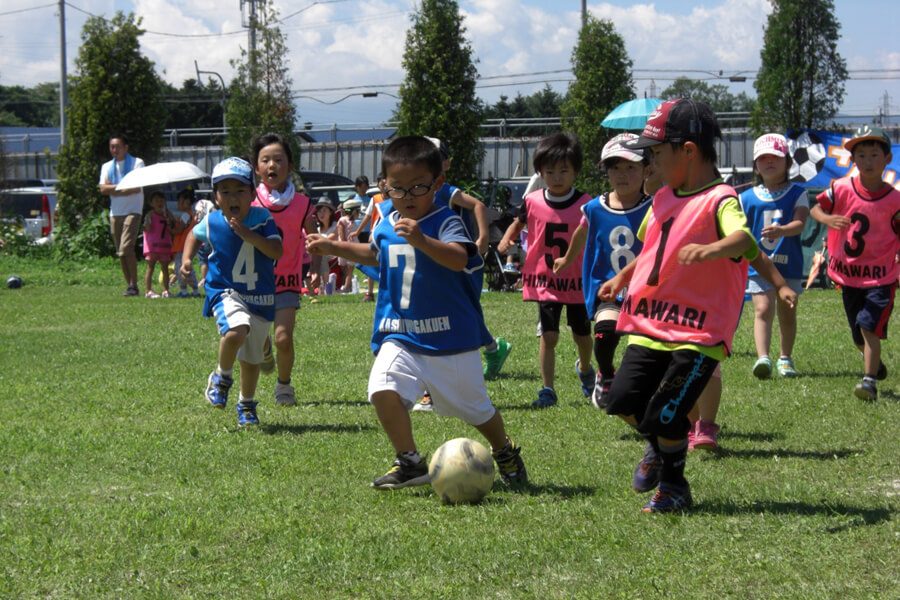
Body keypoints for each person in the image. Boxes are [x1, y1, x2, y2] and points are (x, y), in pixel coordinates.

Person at [599, 99, 796, 513]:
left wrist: (712, 251)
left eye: (656, 154)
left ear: (687, 151)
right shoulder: (663, 198)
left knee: (668, 414)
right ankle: (658, 450)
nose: (649, 164)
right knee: (620, 401)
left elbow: (743, 241)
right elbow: (655, 248)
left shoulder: (721, 198)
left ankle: (672, 486)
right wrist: (623, 276)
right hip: (651, 324)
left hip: (698, 332)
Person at [306, 135, 527, 489]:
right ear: (385, 187)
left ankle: (504, 449)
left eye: (417, 187)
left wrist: (422, 240)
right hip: (402, 333)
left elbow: (458, 258)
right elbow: (377, 255)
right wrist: (335, 246)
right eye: (397, 189)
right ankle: (409, 461)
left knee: (475, 410)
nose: (407, 197)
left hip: (449, 339)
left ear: (437, 184)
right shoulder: (388, 220)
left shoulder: (445, 220)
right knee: (381, 388)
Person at [180, 156, 283, 427]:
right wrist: (187, 259)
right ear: (216, 196)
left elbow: (276, 250)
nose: (232, 197)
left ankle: (246, 405)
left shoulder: (262, 219)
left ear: (252, 193)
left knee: (251, 360)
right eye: (225, 191)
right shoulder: (213, 221)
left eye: (239, 190)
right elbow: (193, 234)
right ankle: (221, 377)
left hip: (260, 296)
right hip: (225, 290)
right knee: (236, 330)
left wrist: (250, 235)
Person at [552, 133, 652, 409]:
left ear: (647, 170)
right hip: (607, 286)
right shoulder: (595, 207)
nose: (622, 174)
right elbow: (581, 234)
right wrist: (566, 259)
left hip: (646, 288)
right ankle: (605, 374)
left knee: (644, 344)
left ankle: (644, 388)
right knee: (605, 330)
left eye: (630, 167)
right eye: (615, 168)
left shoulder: (655, 207)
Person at [498, 131, 595, 408]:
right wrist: (508, 238)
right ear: (540, 172)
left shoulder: (586, 204)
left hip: (576, 280)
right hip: (546, 281)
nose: (557, 177)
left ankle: (586, 368)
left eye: (564, 171)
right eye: (550, 171)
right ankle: (547, 389)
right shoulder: (533, 201)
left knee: (582, 335)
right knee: (548, 335)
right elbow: (519, 221)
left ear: (575, 171)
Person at [810, 125, 900, 401]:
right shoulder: (842, 188)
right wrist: (827, 220)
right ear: (853, 160)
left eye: (875, 154)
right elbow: (816, 207)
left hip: (881, 278)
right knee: (857, 335)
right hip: (848, 276)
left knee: (868, 326)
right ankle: (874, 365)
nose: (868, 161)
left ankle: (869, 381)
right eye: (861, 155)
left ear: (887, 159)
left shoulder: (895, 199)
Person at [250, 133, 314, 407]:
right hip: (255, 282)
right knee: (257, 338)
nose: (272, 165)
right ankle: (262, 348)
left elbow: (314, 239)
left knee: (284, 338)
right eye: (265, 160)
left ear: (289, 165)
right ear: (257, 168)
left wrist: (316, 264)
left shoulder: (302, 204)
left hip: (287, 280)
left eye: (279, 159)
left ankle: (284, 386)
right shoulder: (249, 201)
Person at [742, 133, 809, 379]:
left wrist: (782, 230)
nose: (769, 162)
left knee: (787, 313)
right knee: (762, 308)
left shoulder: (798, 193)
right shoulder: (746, 198)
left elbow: (800, 223)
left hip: (789, 266)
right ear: (756, 165)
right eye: (763, 158)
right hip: (757, 266)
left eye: (776, 157)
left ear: (788, 163)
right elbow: (741, 232)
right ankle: (763, 358)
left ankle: (785, 357)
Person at [98, 133, 145, 296]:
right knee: (120, 251)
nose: (115, 150)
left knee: (126, 248)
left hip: (133, 210)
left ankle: (134, 284)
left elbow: (136, 187)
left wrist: (114, 188)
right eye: (112, 147)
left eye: (118, 146)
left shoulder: (137, 163)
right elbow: (103, 189)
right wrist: (123, 187)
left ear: (126, 147)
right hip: (115, 212)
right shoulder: (106, 167)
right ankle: (130, 286)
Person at [353, 172, 388, 302]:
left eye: (386, 184)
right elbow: (367, 217)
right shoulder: (375, 199)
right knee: (372, 262)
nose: (384, 186)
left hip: (388, 235)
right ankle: (369, 293)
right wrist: (357, 232)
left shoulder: (395, 199)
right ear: (378, 185)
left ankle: (387, 291)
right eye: (382, 184)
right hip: (374, 235)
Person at [142, 191, 175, 298]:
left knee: (165, 268)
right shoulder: (150, 215)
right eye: (156, 201)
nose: (159, 203)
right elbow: (147, 229)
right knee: (150, 267)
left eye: (161, 201)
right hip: (153, 246)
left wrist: (170, 217)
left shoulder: (167, 215)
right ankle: (148, 290)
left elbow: (173, 226)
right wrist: (147, 219)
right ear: (151, 203)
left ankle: (166, 290)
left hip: (164, 245)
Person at [171, 187, 201, 298]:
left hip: (181, 247)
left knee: (180, 269)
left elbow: (179, 230)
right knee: (187, 268)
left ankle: (184, 290)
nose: (178, 203)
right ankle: (195, 290)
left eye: (180, 201)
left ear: (187, 202)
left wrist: (169, 229)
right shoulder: (190, 215)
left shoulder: (185, 215)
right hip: (184, 247)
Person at [307, 197, 339, 296]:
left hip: (334, 252)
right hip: (320, 252)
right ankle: (316, 285)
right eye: (319, 211)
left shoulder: (335, 226)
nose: (321, 214)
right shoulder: (317, 228)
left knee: (321, 254)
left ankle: (325, 285)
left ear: (330, 212)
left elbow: (329, 240)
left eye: (324, 211)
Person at [338, 198, 362, 293]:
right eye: (358, 212)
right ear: (353, 212)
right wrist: (344, 244)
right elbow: (341, 234)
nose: (359, 214)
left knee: (350, 267)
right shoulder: (342, 220)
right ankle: (347, 286)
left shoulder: (352, 221)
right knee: (347, 268)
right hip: (346, 247)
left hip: (353, 246)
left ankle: (348, 285)